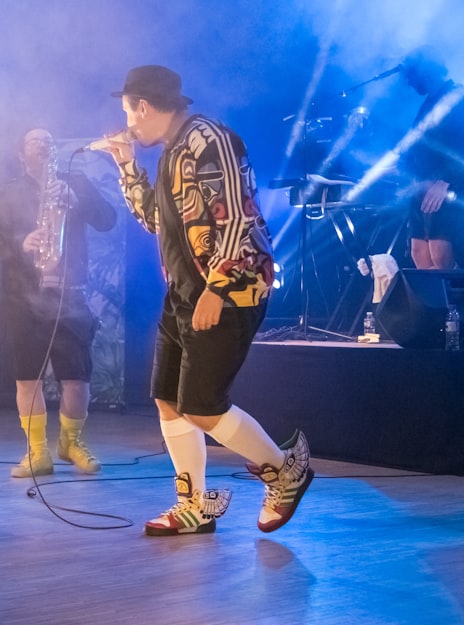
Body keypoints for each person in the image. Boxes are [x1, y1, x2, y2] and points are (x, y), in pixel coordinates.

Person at [99, 65, 313, 535]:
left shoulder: (209, 139)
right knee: (167, 401)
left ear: (144, 106)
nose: (128, 124)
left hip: (229, 289)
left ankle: (285, 472)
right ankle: (193, 506)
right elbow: (156, 220)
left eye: (129, 114)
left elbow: (236, 216)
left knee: (202, 405)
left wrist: (217, 286)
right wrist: (125, 165)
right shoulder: (171, 151)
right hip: (183, 291)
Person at [0, 127, 117, 478]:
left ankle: (71, 443)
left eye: (47, 141)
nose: (42, 146)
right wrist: (21, 242)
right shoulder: (8, 192)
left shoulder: (75, 181)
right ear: (21, 154)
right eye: (33, 141)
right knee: (27, 378)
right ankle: (37, 452)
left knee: (77, 378)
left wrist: (78, 200)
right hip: (22, 295)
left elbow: (108, 220)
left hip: (69, 291)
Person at [400, 46, 464, 270]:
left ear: (424, 71)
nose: (409, 83)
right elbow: (419, 145)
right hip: (422, 185)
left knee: (439, 252)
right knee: (419, 253)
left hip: (444, 184)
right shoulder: (427, 104)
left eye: (411, 76)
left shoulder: (460, 97)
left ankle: (458, 304)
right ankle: (433, 305)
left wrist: (446, 182)